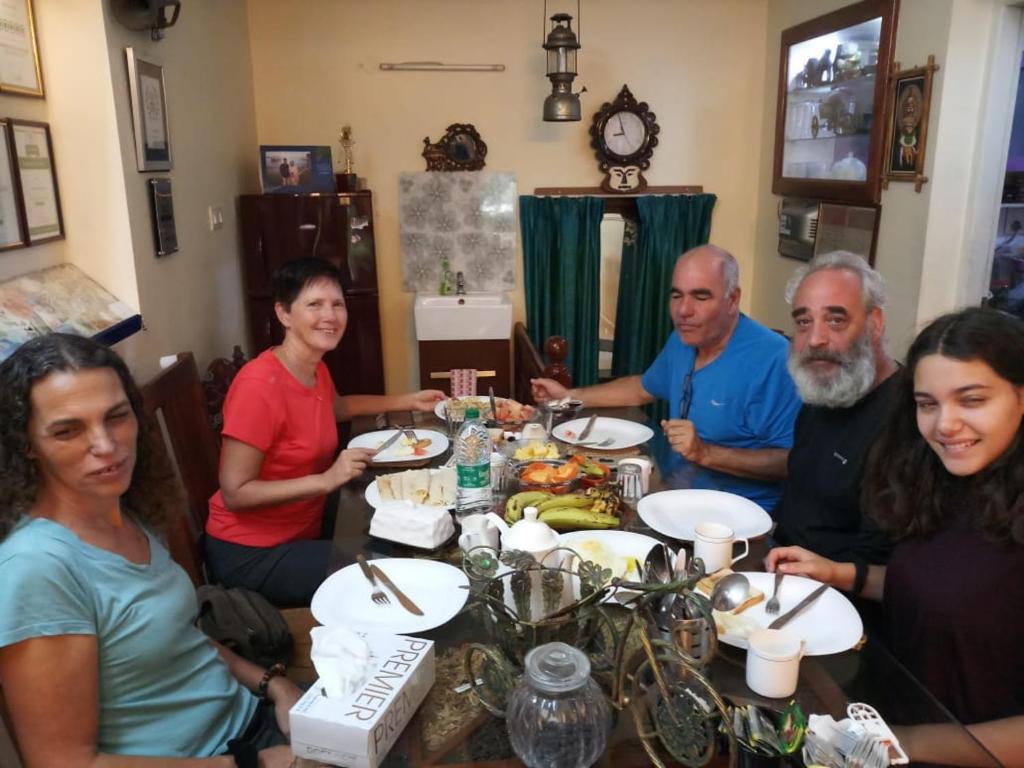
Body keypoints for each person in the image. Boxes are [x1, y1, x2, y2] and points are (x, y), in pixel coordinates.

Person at [0, 333, 300, 767]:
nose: (105, 445)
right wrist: (250, 764)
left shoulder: (124, 510)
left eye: (116, 417)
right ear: (27, 443)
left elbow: (179, 637)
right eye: (68, 430)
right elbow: (63, 763)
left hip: (252, 720)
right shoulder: (36, 568)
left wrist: (273, 685)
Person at [767, 307, 1024, 766]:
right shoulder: (947, 482)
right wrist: (841, 573)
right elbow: (939, 592)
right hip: (877, 721)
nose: (944, 424)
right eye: (928, 404)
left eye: (972, 400)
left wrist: (901, 742)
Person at [205, 257, 443, 607]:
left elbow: (339, 407)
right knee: (391, 579)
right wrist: (326, 480)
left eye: (337, 304)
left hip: (304, 527)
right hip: (254, 553)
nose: (330, 315)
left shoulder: (312, 367)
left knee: (399, 529)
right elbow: (235, 493)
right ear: (284, 314)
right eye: (314, 304)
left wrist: (408, 400)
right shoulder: (259, 385)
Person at [532, 244, 800, 511]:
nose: (683, 310)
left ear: (733, 299)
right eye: (676, 295)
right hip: (675, 491)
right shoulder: (684, 339)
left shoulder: (773, 360)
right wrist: (570, 396)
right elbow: (641, 388)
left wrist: (705, 453)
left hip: (738, 516)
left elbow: (790, 462)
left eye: (701, 296)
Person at [771, 251, 899, 565]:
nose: (815, 339)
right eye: (804, 321)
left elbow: (882, 568)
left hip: (841, 600)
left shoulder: (905, 418)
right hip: (779, 567)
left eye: (836, 320)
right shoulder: (826, 386)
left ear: (875, 323)